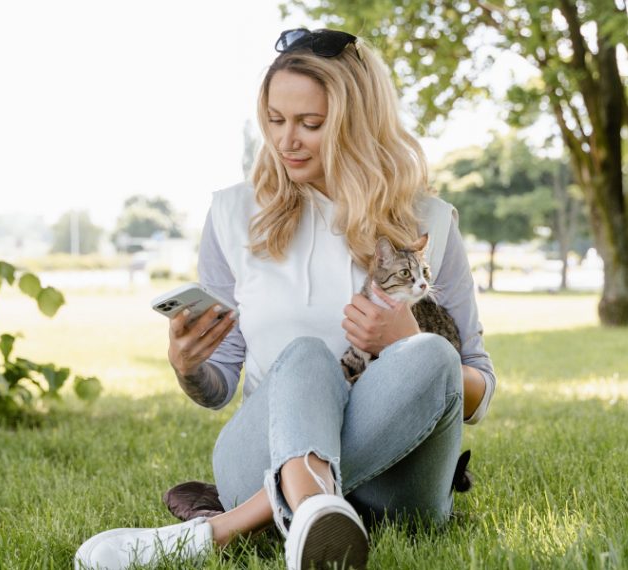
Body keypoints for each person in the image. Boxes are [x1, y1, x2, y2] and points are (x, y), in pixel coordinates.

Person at [74, 27, 496, 570]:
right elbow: (218, 386)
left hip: (398, 485)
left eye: (310, 124)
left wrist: (406, 340)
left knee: (433, 354)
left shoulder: (429, 224)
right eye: (275, 120)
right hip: (261, 450)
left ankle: (227, 529)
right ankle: (316, 505)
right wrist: (188, 367)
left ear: (356, 124)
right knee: (306, 355)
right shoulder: (233, 215)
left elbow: (480, 392)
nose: (285, 140)